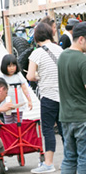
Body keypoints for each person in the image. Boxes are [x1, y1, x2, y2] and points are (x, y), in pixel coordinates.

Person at [27, 22, 64, 173]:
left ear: (36, 36)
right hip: (63, 95)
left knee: (48, 129)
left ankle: (48, 164)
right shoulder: (60, 49)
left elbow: (30, 76)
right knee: (64, 130)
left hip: (48, 96)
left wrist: (38, 76)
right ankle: (69, 160)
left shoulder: (37, 53)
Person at [58, 22, 86, 173]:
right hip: (82, 116)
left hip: (65, 116)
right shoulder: (83, 60)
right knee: (84, 158)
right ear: (81, 39)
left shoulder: (62, 56)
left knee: (69, 157)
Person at [0, 54, 32, 124]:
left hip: (18, 105)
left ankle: (18, 134)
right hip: (7, 106)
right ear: (4, 66)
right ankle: (10, 135)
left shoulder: (18, 76)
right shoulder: (2, 78)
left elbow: (25, 89)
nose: (12, 68)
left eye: (14, 66)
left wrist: (29, 100)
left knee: (18, 123)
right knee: (9, 124)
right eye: (9, 66)